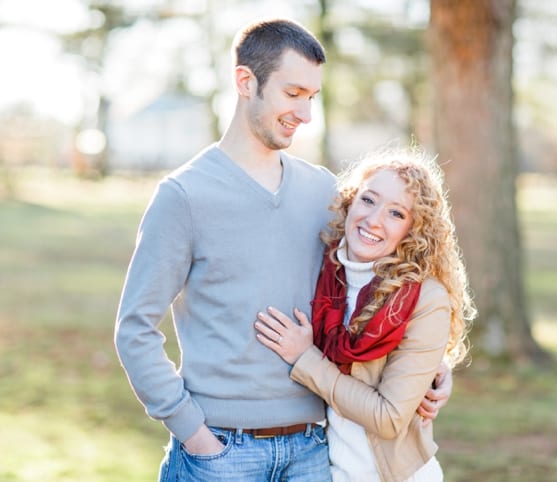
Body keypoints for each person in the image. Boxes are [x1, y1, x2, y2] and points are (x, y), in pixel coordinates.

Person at [115, 19, 451, 482]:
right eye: (293, 94)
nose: (306, 113)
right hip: (220, 451)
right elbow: (134, 329)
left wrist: (432, 368)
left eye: (312, 97)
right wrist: (195, 435)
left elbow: (373, 290)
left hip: (314, 451)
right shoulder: (184, 196)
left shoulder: (323, 192)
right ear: (245, 82)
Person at [255, 148, 476, 482]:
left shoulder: (424, 299)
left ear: (414, 229)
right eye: (368, 200)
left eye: (396, 214)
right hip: (321, 470)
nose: (374, 220)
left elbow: (388, 417)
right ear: (349, 201)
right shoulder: (325, 270)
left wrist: (306, 358)